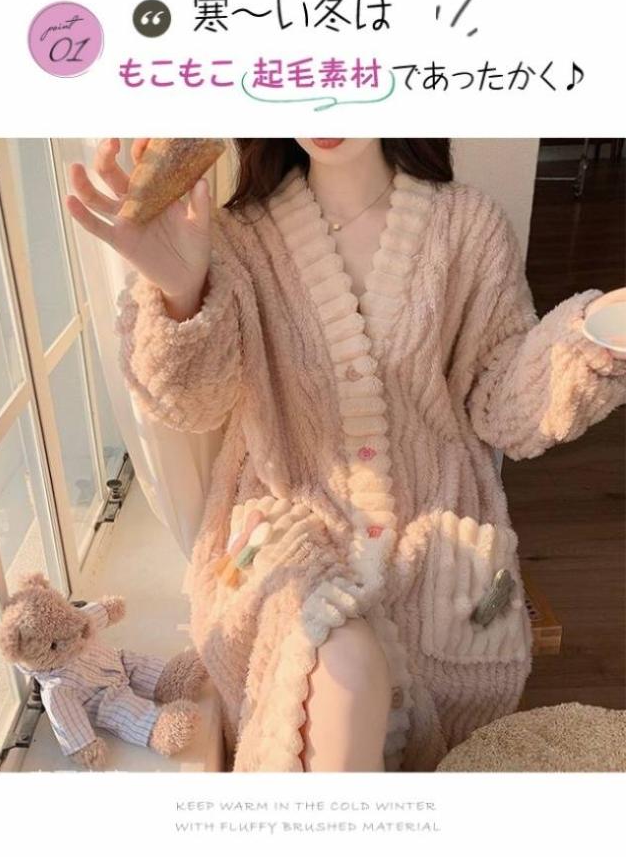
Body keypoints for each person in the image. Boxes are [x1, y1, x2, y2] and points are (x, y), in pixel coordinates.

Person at [66, 137, 626, 772]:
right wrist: (179, 291)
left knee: (368, 688)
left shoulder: (469, 226)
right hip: (285, 525)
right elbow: (191, 406)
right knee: (341, 662)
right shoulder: (234, 237)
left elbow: (501, 403)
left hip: (434, 539)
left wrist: (592, 337)